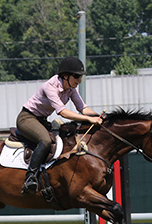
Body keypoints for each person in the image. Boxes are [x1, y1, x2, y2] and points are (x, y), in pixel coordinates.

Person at [16, 56, 103, 195]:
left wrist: (100, 117)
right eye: (76, 76)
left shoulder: (71, 88)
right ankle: (30, 178)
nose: (79, 80)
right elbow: (62, 112)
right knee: (45, 140)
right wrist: (88, 119)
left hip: (41, 120)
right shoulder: (49, 87)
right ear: (65, 76)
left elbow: (83, 109)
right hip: (26, 118)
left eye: (80, 77)